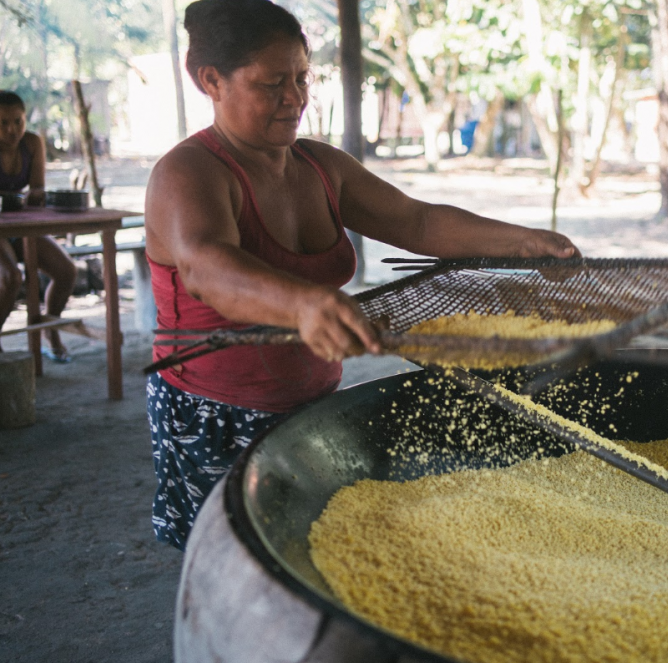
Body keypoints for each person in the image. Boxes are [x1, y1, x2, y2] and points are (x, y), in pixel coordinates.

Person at [145, 0, 580, 550]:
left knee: (315, 551)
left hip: (313, 400)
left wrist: (524, 242)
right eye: (272, 83)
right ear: (211, 80)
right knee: (233, 564)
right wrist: (304, 305)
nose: (295, 98)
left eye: (303, 78)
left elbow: (415, 221)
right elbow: (206, 268)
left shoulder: (321, 167)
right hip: (215, 413)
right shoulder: (187, 173)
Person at [0, 91, 76, 361]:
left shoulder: (32, 144)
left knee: (67, 271)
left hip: (21, 225)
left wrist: (37, 196)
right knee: (11, 278)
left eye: (18, 121)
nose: (12, 130)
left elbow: (38, 189)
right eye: (4, 123)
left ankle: (50, 329)